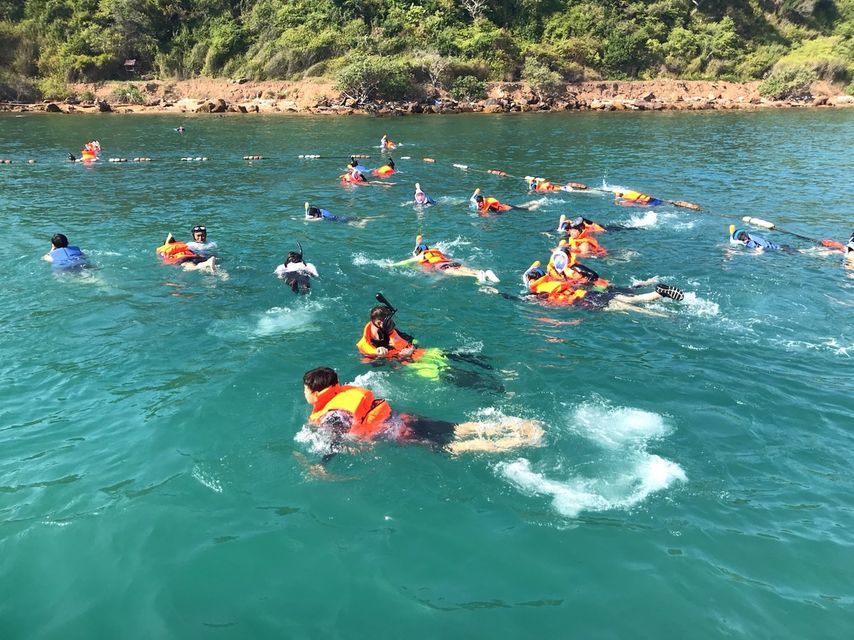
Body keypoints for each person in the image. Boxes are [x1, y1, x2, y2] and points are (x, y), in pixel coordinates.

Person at [301, 367, 542, 463]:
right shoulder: (349, 391)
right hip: (403, 418)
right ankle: (515, 425)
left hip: (398, 433)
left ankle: (516, 441)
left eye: (306, 388)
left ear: (316, 392)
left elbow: (334, 439)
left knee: (453, 448)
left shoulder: (333, 414)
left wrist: (323, 465)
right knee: (455, 428)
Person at [394, 235, 500, 284]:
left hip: (442, 266)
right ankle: (483, 273)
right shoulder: (436, 251)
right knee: (462, 268)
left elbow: (405, 262)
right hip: (451, 262)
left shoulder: (421, 256)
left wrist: (391, 265)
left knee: (454, 272)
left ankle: (476, 275)